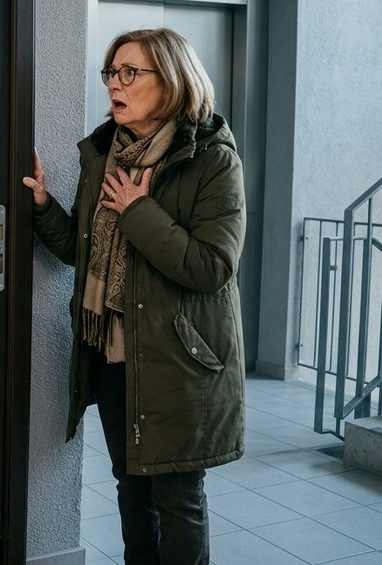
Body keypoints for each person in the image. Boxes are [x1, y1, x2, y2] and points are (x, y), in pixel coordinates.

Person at [24, 28, 245, 564]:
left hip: (177, 361)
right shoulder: (105, 154)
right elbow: (81, 250)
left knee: (177, 498)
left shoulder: (212, 159)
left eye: (130, 73)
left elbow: (212, 267)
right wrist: (41, 205)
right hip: (112, 354)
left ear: (171, 80)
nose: (114, 85)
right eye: (111, 72)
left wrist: (139, 212)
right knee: (130, 487)